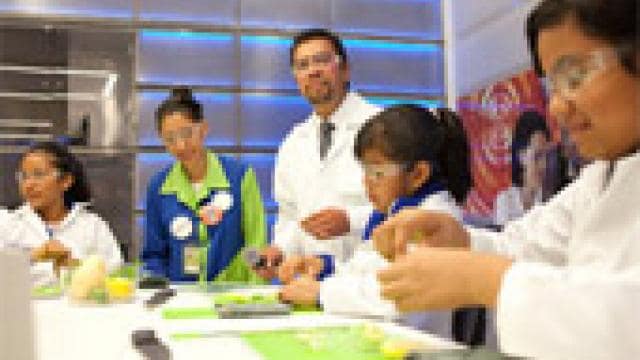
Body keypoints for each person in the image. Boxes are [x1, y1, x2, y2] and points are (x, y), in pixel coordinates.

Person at [372, 0, 639, 358]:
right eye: (553, 87)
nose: (558, 107)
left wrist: (486, 279)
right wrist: (462, 242)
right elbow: (527, 247)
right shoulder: (599, 179)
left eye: (575, 77)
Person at [279, 105, 472, 340]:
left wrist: (322, 293)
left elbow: (396, 295)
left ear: (418, 174)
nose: (367, 183)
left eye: (377, 173)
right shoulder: (392, 210)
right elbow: (367, 271)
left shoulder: (433, 218)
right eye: (365, 171)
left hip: (416, 345)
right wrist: (325, 268)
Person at [256, 28, 381, 279]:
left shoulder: (382, 127)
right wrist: (278, 251)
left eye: (322, 60)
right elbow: (290, 217)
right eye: (302, 65)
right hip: (312, 287)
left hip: (371, 281)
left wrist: (351, 221)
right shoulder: (293, 143)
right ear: (296, 79)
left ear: (345, 69)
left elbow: (406, 207)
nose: (312, 70)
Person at [142, 88, 267, 282]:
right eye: (170, 139)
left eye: (187, 133)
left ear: (203, 128)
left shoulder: (239, 176)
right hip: (182, 300)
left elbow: (254, 243)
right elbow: (155, 255)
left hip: (234, 295)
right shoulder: (159, 187)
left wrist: (254, 291)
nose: (181, 145)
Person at [0, 141, 123, 282]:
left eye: (38, 175)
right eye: (24, 176)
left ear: (65, 181)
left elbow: (115, 275)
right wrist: (33, 257)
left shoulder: (92, 226)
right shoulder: (7, 222)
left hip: (76, 303)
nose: (29, 184)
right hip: (21, 304)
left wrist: (76, 268)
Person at [494, 110, 551, 226]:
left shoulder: (551, 202)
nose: (543, 165)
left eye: (546, 156)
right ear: (521, 156)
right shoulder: (505, 201)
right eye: (538, 156)